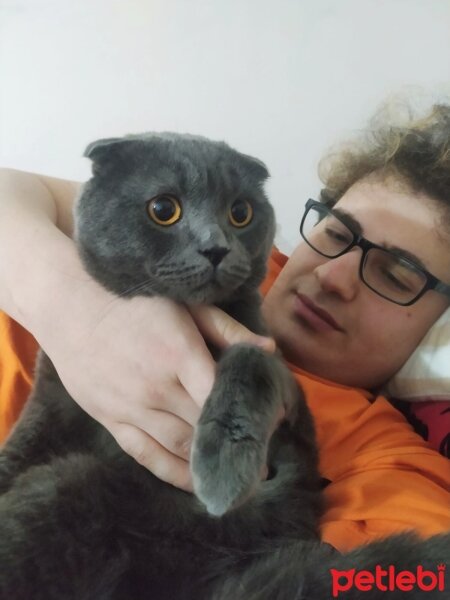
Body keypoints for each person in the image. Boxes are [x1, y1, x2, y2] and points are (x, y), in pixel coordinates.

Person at [0, 102, 449, 553]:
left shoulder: (386, 463)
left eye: (395, 276)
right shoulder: (244, 257)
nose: (332, 276)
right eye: (336, 235)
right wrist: (81, 314)